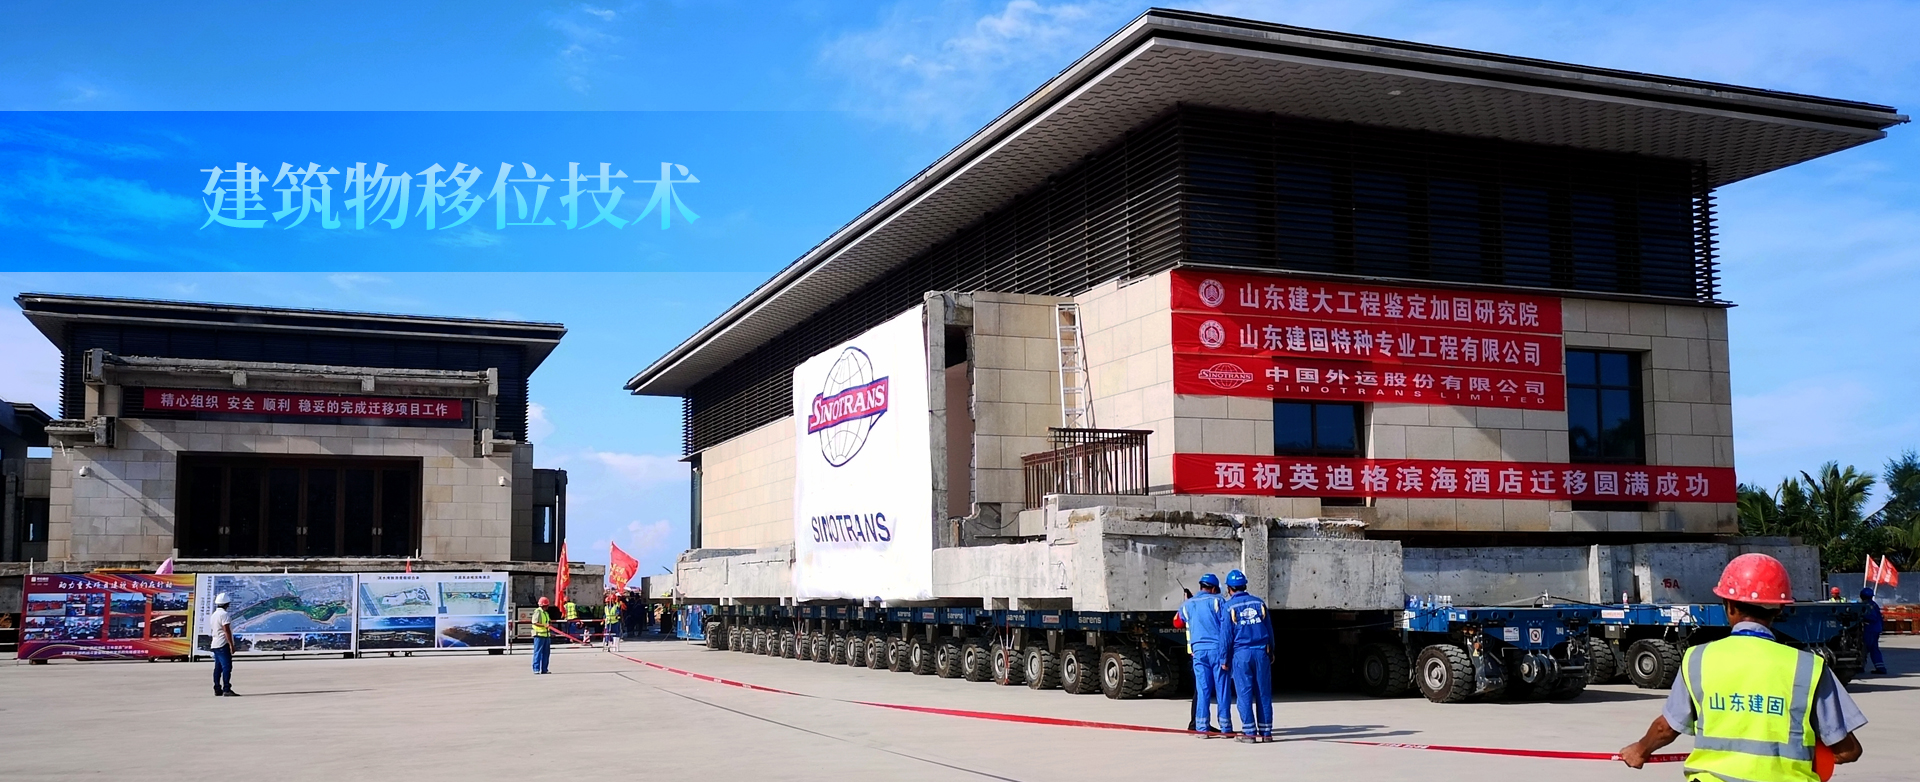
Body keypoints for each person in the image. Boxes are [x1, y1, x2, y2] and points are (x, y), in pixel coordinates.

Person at [1619, 553, 1868, 779]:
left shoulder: (1697, 659)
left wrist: (1640, 750)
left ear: (1729, 605)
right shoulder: (1808, 667)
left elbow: (1665, 729)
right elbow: (1848, 750)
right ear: (1779, 608)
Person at [1174, 573, 1232, 737]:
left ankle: (1201, 728)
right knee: (1222, 690)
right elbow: (1227, 625)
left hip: (1198, 653)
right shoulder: (1218, 601)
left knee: (1202, 690)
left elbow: (1177, 622)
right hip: (1217, 651)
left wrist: (1188, 602)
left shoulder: (1188, 604)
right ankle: (1226, 728)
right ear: (1213, 588)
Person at [1222, 569, 1273, 744]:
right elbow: (1269, 630)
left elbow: (1226, 637)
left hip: (1241, 654)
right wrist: (1271, 651)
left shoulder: (1229, 607)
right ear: (1244, 586)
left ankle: (1249, 733)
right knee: (1263, 693)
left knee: (1244, 694)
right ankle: (1266, 733)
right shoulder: (1259, 603)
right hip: (1261, 653)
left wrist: (1224, 659)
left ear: (1229, 589)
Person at [208, 592, 238, 696]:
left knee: (218, 668)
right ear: (227, 604)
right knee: (227, 667)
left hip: (215, 643)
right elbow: (226, 630)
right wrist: (231, 645)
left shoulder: (214, 615)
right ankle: (226, 688)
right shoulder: (224, 615)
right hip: (222, 644)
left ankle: (217, 688)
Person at [1861, 587, 1888, 675]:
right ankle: (1880, 667)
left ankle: (1860, 666)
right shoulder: (1874, 604)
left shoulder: (1867, 606)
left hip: (1870, 629)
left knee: (1864, 648)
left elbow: (1872, 617)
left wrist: (1862, 617)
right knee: (1874, 648)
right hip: (1876, 629)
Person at [530, 596, 554, 674]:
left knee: (546, 653)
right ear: (543, 605)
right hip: (539, 635)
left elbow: (548, 621)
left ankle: (544, 669)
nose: (547, 607)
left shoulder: (546, 613)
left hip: (546, 635)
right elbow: (534, 622)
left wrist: (549, 624)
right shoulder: (538, 612)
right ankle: (536, 669)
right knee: (538, 653)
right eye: (547, 605)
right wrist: (544, 625)